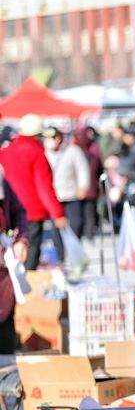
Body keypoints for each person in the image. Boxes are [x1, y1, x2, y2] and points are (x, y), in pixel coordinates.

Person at [0, 114, 67, 269]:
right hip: (31, 212)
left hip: (9, 212)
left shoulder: (5, 151)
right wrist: (57, 213)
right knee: (29, 257)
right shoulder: (36, 153)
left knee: (11, 258)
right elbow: (44, 187)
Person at [44, 127, 90, 258]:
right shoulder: (44, 153)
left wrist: (83, 186)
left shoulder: (72, 150)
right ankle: (61, 255)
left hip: (71, 194)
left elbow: (82, 169)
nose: (51, 140)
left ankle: (74, 252)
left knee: (76, 224)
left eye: (54, 137)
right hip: (54, 196)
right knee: (56, 228)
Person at [0, 173, 28, 352]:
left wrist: (21, 240)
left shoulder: (3, 183)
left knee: (5, 327)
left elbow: (19, 212)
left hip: (4, 273)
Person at [74, 126, 103, 240]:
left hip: (82, 188)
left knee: (84, 213)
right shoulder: (92, 150)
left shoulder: (78, 150)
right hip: (89, 188)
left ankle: (86, 234)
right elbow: (99, 167)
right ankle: (88, 234)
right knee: (88, 213)